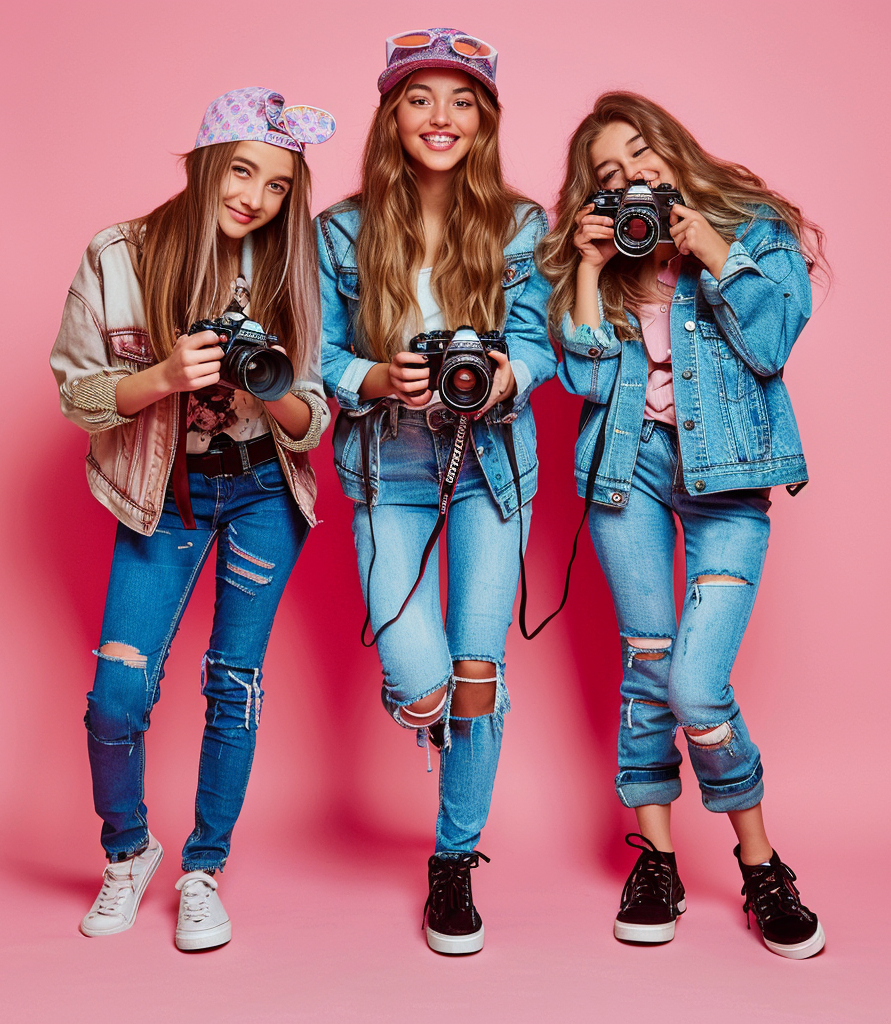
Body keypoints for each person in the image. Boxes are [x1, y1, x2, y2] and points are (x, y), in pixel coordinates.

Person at [540, 91, 826, 959]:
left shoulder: (756, 226)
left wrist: (713, 248)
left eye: (641, 158)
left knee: (696, 686)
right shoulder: (611, 256)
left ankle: (760, 859)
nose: (632, 181)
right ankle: (657, 861)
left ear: (672, 149)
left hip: (730, 478)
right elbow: (587, 385)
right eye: (609, 175)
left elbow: (773, 346)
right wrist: (588, 270)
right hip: (628, 473)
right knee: (648, 667)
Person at [50, 87, 335, 950]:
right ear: (208, 162)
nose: (255, 196)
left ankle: (204, 869)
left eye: (278, 185)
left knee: (233, 686)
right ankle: (128, 851)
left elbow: (315, 420)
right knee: (117, 696)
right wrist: (165, 378)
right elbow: (78, 395)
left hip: (260, 493)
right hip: (159, 492)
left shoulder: (292, 266)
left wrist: (271, 389)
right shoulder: (119, 255)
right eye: (243, 171)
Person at [317, 28, 556, 955]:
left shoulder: (520, 225)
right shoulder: (340, 230)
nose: (441, 116)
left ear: (484, 120)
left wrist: (505, 372)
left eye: (462, 101)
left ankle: (454, 860)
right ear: (391, 115)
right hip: (389, 468)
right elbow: (318, 352)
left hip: (493, 465)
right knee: (423, 686)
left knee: (476, 672)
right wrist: (377, 380)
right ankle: (430, 716)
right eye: (420, 98)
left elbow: (540, 341)